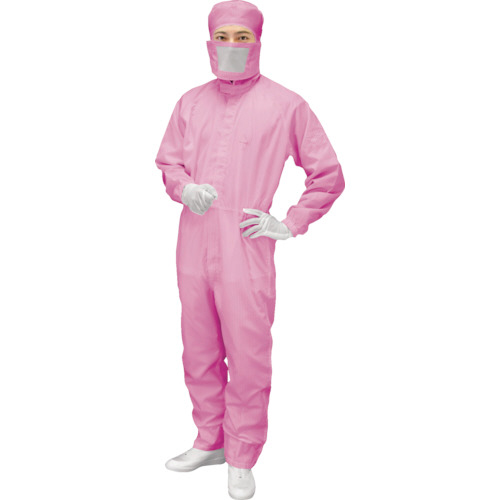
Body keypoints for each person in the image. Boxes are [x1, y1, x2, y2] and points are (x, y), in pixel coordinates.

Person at [155, 1, 345, 498]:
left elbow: (328, 174)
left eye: (242, 37)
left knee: (248, 353)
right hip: (193, 243)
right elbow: (169, 164)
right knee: (198, 347)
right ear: (209, 41)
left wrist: (290, 222)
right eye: (223, 37)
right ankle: (209, 439)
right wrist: (184, 189)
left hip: (246, 243)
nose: (232, 47)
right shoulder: (190, 103)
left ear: (258, 41)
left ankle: (241, 455)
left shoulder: (286, 105)